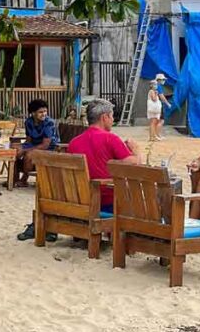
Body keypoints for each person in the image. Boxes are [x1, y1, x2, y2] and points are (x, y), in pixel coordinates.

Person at [19, 98, 140, 240]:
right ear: (104, 117)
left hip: (80, 201)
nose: (113, 120)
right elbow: (134, 166)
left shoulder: (74, 143)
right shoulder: (111, 139)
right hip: (106, 202)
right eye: (112, 116)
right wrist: (136, 150)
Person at [17, 99, 59, 183]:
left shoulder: (49, 123)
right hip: (34, 146)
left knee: (29, 155)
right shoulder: (29, 122)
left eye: (45, 111)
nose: (44, 114)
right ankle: (13, 178)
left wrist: (25, 149)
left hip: (50, 149)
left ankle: (24, 179)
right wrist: (20, 148)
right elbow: (28, 140)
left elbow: (45, 145)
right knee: (15, 151)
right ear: (33, 113)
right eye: (40, 112)